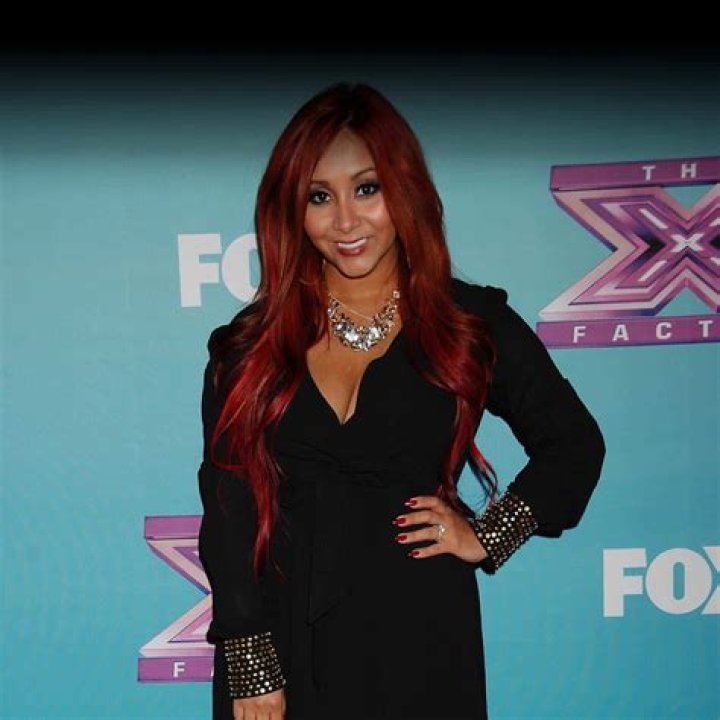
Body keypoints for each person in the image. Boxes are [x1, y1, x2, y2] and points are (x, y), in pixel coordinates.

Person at [197, 82, 606, 720]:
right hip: (282, 641)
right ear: (292, 211)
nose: (346, 221)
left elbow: (573, 445)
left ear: (405, 189)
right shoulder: (249, 348)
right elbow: (230, 506)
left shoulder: (469, 324)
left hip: (420, 635)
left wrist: (489, 534)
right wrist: (250, 657)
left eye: (367, 189)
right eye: (319, 197)